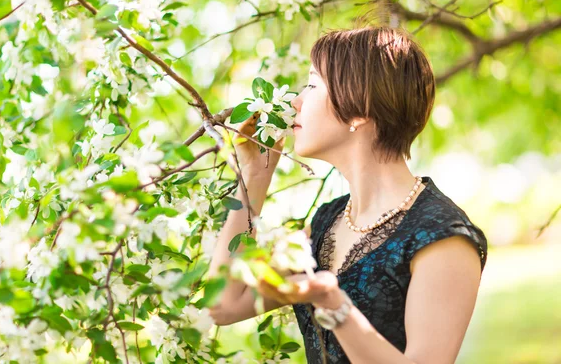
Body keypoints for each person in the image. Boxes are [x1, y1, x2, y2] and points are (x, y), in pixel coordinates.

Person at [208, 26, 488, 364]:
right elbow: (222, 305)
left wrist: (334, 305)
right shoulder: (327, 221)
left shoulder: (444, 237)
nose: (296, 101)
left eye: (311, 85)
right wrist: (254, 176)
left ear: (359, 108)